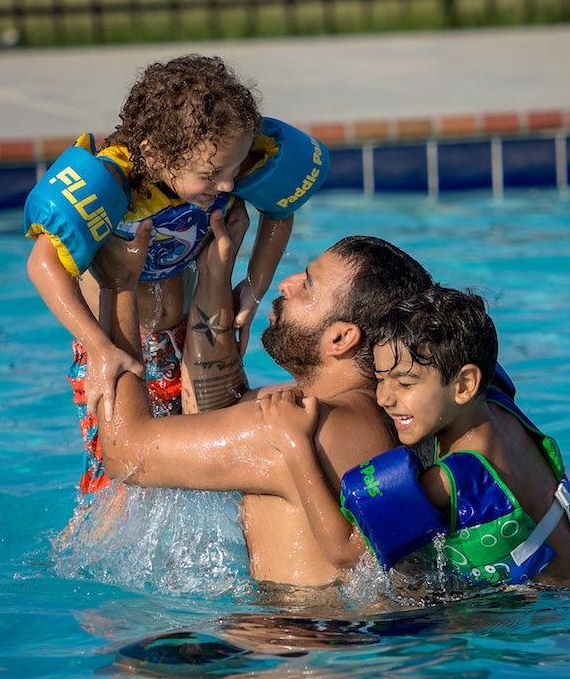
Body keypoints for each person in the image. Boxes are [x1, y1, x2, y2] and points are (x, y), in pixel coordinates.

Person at [22, 54, 328, 496]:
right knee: (116, 482)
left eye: (234, 170)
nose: (227, 185)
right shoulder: (113, 184)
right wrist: (100, 349)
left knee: (197, 462)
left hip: (182, 333)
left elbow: (281, 208)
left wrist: (254, 287)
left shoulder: (221, 153)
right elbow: (42, 265)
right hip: (116, 343)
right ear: (153, 153)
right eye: (211, 175)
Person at [87, 204, 435, 588]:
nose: (286, 283)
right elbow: (216, 406)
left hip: (295, 638)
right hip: (331, 634)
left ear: (340, 338)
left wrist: (117, 286)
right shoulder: (371, 413)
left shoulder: (303, 430)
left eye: (307, 286)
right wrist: (214, 273)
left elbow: (125, 452)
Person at [257, 285, 570, 590]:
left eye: (405, 383)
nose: (384, 397)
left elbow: (345, 551)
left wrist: (294, 444)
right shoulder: (499, 405)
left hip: (546, 620)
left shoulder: (452, 478)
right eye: (380, 379)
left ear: (464, 385)